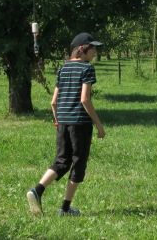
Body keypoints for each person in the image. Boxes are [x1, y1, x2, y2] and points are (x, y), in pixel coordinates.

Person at [26, 32, 107, 216]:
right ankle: (64, 208)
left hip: (63, 121)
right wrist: (99, 125)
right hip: (80, 123)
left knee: (62, 161)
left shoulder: (63, 69)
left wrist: (57, 120)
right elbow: (85, 100)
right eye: (92, 48)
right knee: (78, 163)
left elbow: (53, 102)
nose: (95, 51)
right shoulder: (87, 69)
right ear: (81, 49)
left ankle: (37, 190)